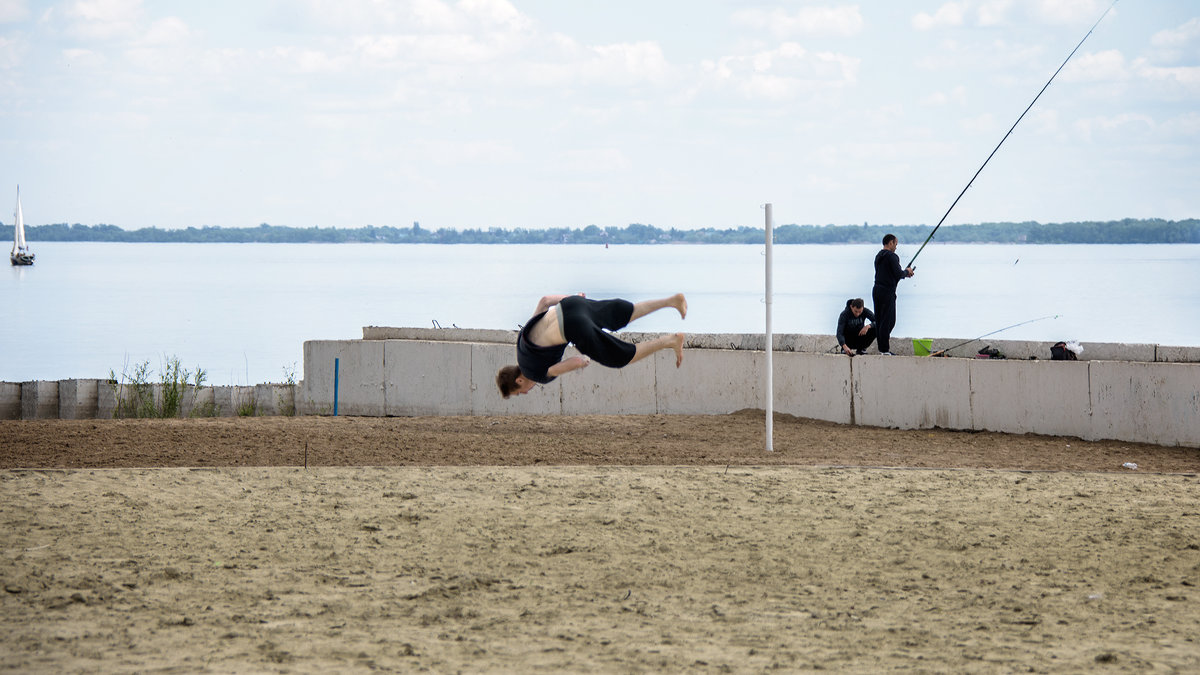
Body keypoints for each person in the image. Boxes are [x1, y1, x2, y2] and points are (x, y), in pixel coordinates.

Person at [497, 292, 687, 398]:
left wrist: (584, 360)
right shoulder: (521, 342)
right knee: (621, 316)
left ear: (519, 381)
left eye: (519, 392)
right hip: (570, 304)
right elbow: (545, 301)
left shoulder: (536, 375)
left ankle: (669, 341)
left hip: (573, 327)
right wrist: (575, 297)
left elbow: (574, 362)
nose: (525, 392)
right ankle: (671, 301)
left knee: (620, 357)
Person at [871, 233, 914, 355]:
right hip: (887, 292)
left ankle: (882, 348)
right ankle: (884, 349)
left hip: (877, 290)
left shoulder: (878, 256)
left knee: (880, 320)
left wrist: (904, 273)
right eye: (895, 244)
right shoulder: (892, 256)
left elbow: (890, 274)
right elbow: (898, 274)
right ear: (890, 243)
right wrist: (907, 271)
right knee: (889, 321)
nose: (896, 247)